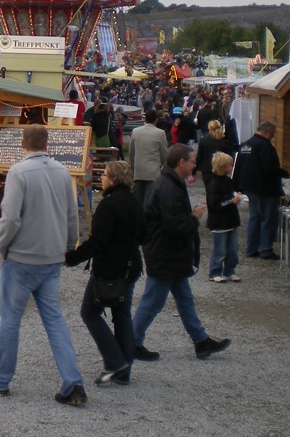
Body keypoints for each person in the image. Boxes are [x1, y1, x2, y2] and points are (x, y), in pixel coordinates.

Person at [0, 124, 86, 406]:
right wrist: (67, 246)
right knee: (55, 320)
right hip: (51, 257)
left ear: (23, 144)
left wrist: (2, 246)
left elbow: (10, 217)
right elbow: (71, 215)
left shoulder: (18, 173)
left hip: (22, 258)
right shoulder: (63, 172)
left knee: (10, 319)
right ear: (47, 143)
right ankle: (72, 382)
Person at [132, 144, 230, 362]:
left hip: (170, 253)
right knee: (153, 301)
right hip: (165, 252)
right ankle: (132, 341)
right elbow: (174, 226)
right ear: (182, 163)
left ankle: (201, 340)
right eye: (193, 161)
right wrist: (194, 217)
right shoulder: (168, 188)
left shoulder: (170, 183)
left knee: (184, 299)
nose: (196, 165)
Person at [65, 159, 146, 387]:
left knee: (90, 312)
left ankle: (114, 361)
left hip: (110, 268)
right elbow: (145, 234)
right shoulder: (134, 202)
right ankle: (124, 369)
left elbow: (97, 243)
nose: (102, 178)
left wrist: (71, 258)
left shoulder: (109, 205)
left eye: (105, 175)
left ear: (112, 179)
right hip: (131, 266)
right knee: (121, 314)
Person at [234, 121, 289, 260]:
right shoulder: (265, 146)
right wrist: (284, 173)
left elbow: (238, 165)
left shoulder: (245, 144)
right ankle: (265, 249)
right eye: (272, 133)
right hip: (265, 188)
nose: (273, 136)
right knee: (268, 219)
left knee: (255, 218)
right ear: (266, 132)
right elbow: (269, 168)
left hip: (250, 187)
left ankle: (251, 248)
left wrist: (239, 186)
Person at [205, 152, 241, 283]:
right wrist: (232, 201)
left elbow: (231, 194)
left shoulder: (228, 181)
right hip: (219, 223)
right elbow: (215, 204)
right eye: (230, 165)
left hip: (231, 221)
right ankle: (214, 272)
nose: (232, 167)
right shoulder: (213, 183)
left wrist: (236, 195)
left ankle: (229, 271)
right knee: (220, 251)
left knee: (233, 250)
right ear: (223, 167)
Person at [128, 109, 169, 206]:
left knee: (138, 199)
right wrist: (164, 167)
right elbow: (164, 153)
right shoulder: (160, 133)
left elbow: (131, 152)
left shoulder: (136, 131)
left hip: (138, 170)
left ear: (145, 119)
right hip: (153, 171)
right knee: (149, 201)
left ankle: (139, 219)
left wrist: (133, 168)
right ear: (156, 120)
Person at [195, 119, 236, 187]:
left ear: (210, 129)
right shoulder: (226, 142)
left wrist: (194, 171)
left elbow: (199, 157)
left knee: (209, 191)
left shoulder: (204, 141)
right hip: (222, 169)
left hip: (207, 170)